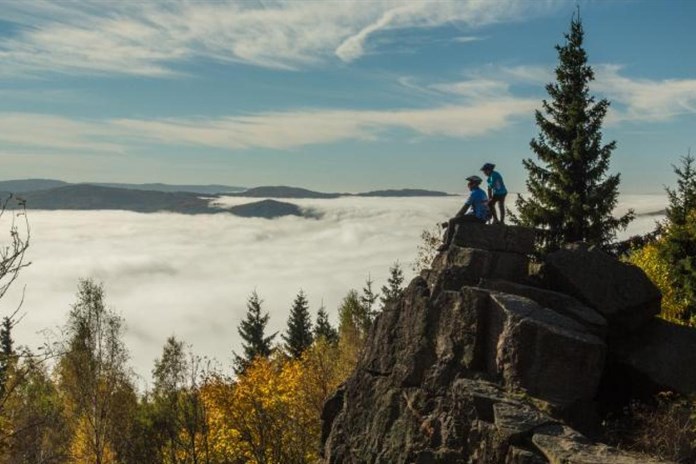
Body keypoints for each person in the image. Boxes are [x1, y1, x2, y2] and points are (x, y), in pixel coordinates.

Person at [438, 175, 490, 251]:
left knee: (452, 221)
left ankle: (447, 244)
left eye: (470, 183)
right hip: (483, 217)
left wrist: (454, 219)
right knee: (458, 219)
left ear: (474, 184)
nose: (468, 185)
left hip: (478, 218)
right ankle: (447, 224)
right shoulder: (482, 192)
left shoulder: (474, 194)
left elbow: (464, 209)